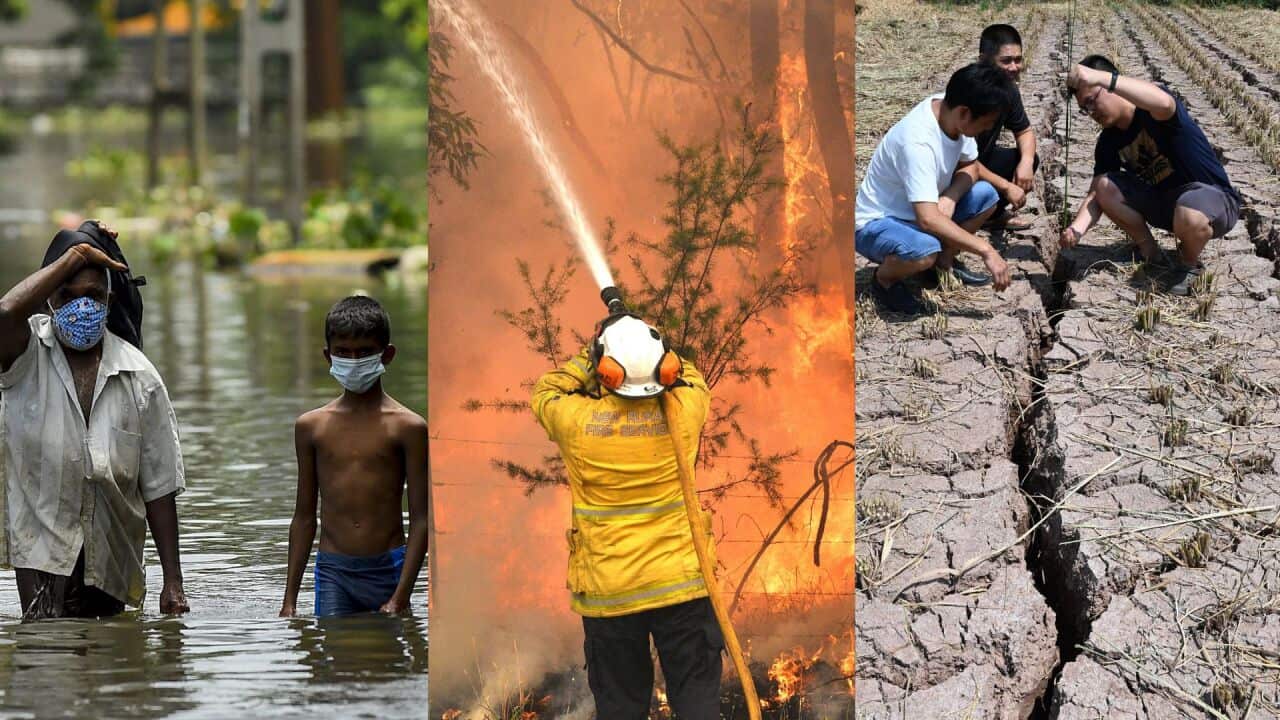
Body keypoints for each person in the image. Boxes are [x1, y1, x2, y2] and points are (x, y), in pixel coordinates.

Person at [531, 312, 719, 720]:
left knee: (621, 706)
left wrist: (592, 353)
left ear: (607, 370)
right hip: (683, 584)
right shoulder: (686, 409)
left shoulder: (577, 423)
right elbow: (690, 375)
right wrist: (656, 353)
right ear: (663, 367)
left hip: (610, 593)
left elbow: (546, 391)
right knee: (697, 697)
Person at [0, 221, 189, 619]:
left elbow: (158, 485)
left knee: (111, 664)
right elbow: (3, 314)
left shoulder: (139, 376)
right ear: (49, 298)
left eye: (93, 295)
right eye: (68, 295)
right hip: (42, 560)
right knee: (45, 653)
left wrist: (173, 580)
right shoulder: (25, 358)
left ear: (109, 300)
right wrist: (77, 254)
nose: (81, 306)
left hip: (111, 564)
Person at [279, 295, 428, 617]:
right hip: (334, 571)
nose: (354, 360)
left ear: (386, 355)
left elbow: (421, 520)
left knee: (385, 659)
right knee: (335, 655)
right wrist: (289, 601)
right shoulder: (311, 427)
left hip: (390, 568)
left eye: (364, 353)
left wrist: (402, 595)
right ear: (328, 356)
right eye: (344, 353)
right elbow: (304, 517)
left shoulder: (409, 428)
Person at [1061, 55, 1241, 295]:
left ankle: (1188, 265)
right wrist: (1076, 230)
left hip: (1211, 200)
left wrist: (1098, 77)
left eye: (1092, 101)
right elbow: (1097, 195)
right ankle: (1152, 254)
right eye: (1085, 108)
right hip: (1166, 206)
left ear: (1111, 85)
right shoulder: (1108, 141)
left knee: (1189, 211)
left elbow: (1164, 103)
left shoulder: (1150, 107)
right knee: (1105, 185)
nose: (1091, 112)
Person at [856, 62, 1017, 314]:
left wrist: (951, 197)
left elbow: (971, 167)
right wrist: (986, 250)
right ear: (965, 112)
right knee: (923, 250)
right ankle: (884, 280)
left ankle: (942, 262)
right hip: (879, 222)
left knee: (986, 196)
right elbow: (928, 219)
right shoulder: (918, 142)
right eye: (986, 123)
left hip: (923, 211)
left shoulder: (950, 111)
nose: (987, 129)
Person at [975, 24, 1039, 230]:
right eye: (1006, 61)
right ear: (983, 60)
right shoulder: (969, 91)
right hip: (955, 171)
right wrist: (1006, 187)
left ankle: (991, 215)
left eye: (1018, 60)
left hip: (980, 161)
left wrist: (1027, 162)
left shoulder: (1008, 90)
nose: (1014, 67)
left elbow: (1025, 131)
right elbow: (961, 161)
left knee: (1026, 157)